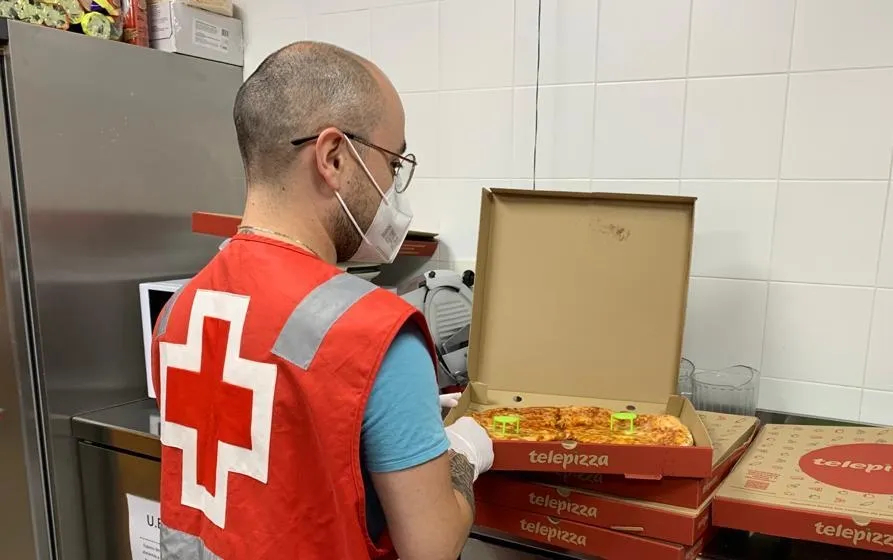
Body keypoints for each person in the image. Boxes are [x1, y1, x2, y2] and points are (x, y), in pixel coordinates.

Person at [150, 41, 494, 560]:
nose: (390, 189)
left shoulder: (179, 312)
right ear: (334, 157)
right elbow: (432, 546)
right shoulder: (376, 332)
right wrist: (463, 455)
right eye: (392, 163)